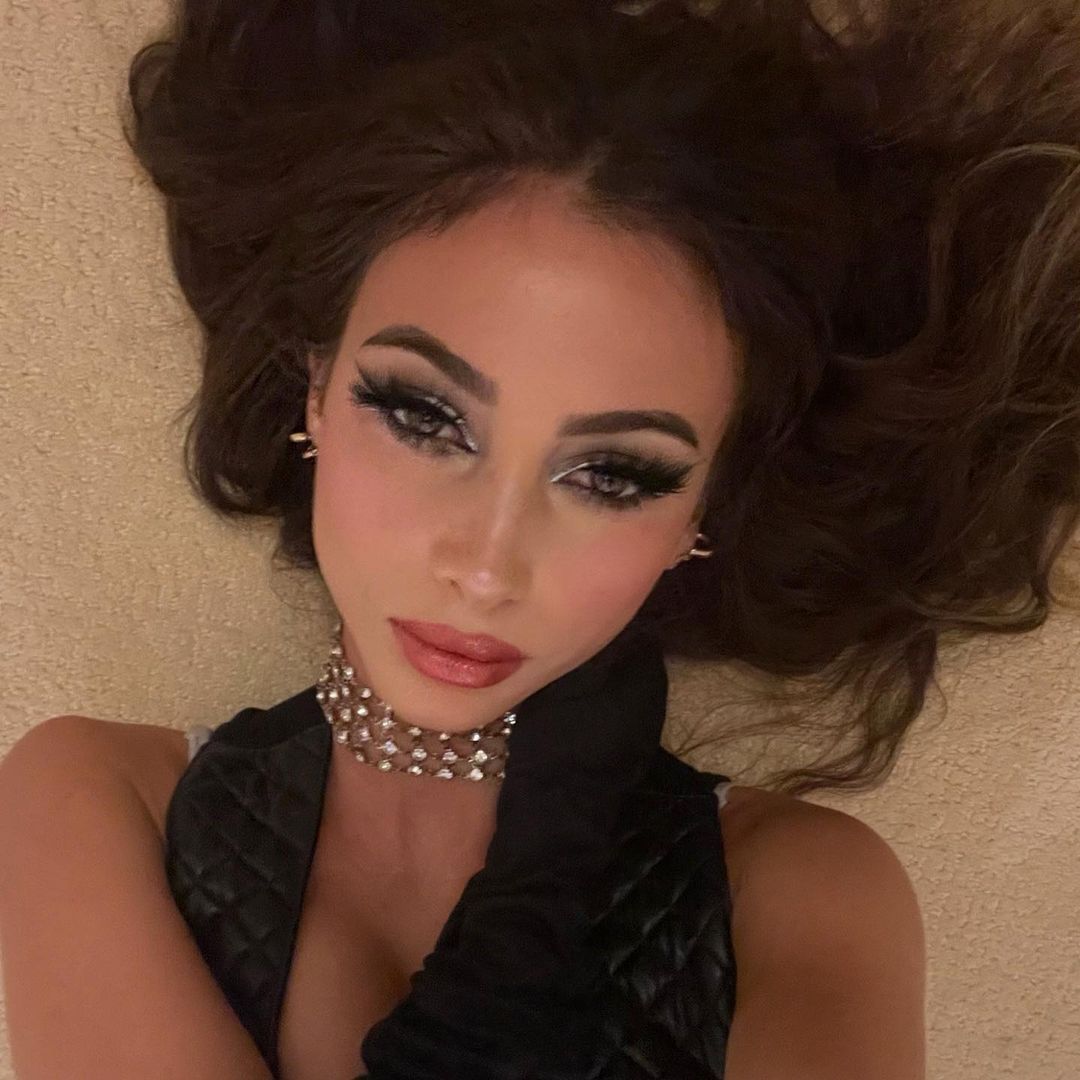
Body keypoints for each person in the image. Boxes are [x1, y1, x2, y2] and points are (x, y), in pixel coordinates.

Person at [2, 0, 1078, 1077]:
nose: (485, 566)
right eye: (425, 418)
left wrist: (554, 843)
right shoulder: (88, 799)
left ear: (700, 512)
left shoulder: (804, 894)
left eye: (612, 475)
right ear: (317, 386)